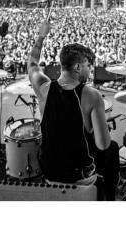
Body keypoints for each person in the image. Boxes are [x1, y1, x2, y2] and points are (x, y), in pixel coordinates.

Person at [27, 20, 119, 200]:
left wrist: (41, 36)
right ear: (77, 67)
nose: (90, 71)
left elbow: (32, 63)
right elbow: (103, 145)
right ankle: (109, 197)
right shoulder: (92, 96)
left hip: (50, 172)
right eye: (88, 66)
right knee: (113, 149)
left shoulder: (43, 89)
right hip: (80, 177)